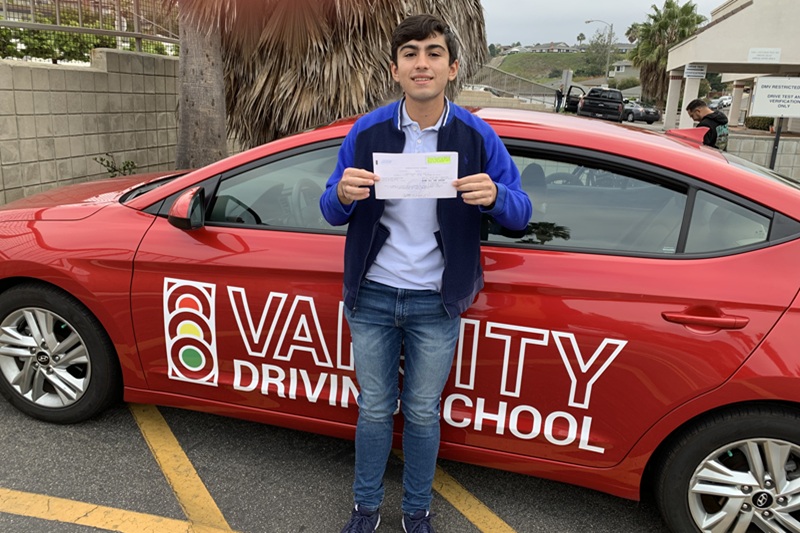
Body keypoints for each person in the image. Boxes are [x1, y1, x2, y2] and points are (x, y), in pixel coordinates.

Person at [319, 13, 532, 533]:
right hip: (371, 295)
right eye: (411, 54)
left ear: (452, 67)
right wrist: (342, 194)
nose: (422, 63)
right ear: (395, 69)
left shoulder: (478, 136)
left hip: (436, 301)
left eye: (433, 53)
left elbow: (522, 212)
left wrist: (497, 197)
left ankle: (417, 513)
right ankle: (365, 511)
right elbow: (329, 207)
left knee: (420, 414)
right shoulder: (367, 131)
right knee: (373, 412)